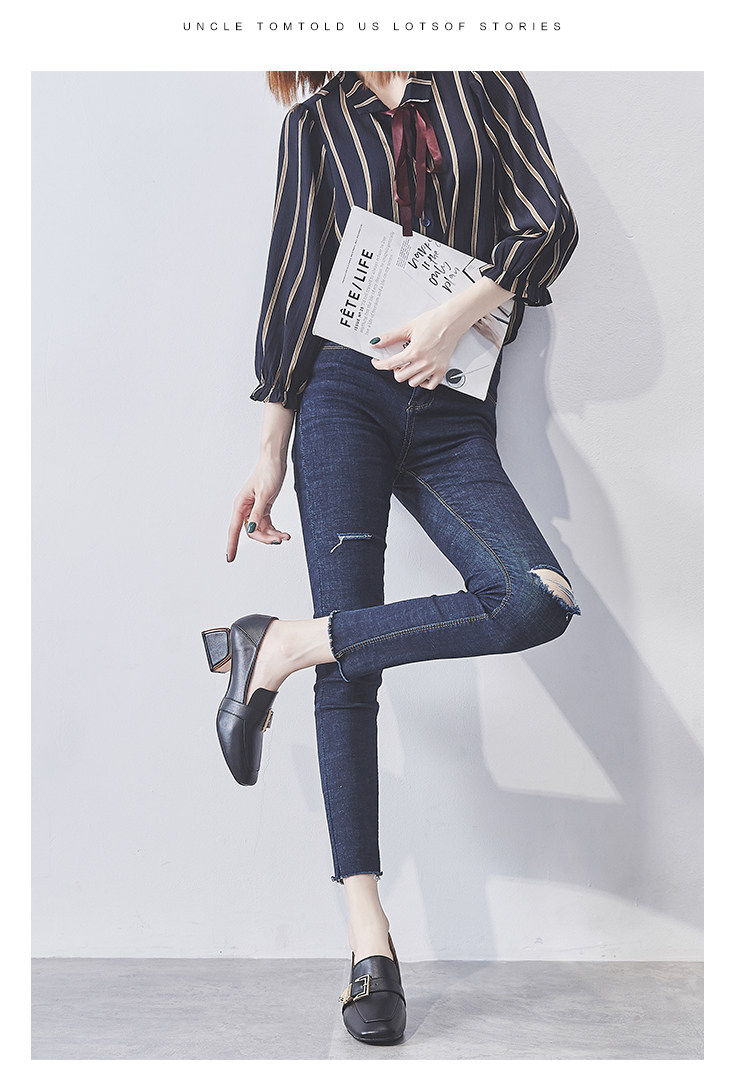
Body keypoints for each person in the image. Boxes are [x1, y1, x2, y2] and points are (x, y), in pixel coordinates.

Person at [201, 70, 581, 1045]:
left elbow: (548, 222)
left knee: (533, 598)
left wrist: (458, 311)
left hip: (454, 408)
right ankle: (369, 940)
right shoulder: (317, 121)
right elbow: (295, 278)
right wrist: (270, 448)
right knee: (352, 676)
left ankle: (278, 645)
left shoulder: (481, 81)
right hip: (343, 399)